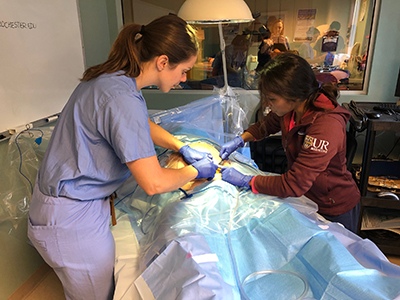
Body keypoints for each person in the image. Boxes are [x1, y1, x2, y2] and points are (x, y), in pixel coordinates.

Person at [27, 15, 219, 300]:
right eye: (184, 71)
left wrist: (181, 146)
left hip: (64, 207)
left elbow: (140, 123)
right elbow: (153, 183)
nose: (183, 79)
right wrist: (196, 171)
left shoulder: (114, 80)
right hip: (70, 220)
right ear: (163, 62)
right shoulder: (121, 97)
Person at [219, 53, 361, 234]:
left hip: (333, 205)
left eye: (272, 99)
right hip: (307, 198)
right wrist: (240, 139)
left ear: (294, 95)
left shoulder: (326, 125)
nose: (266, 104)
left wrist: (248, 181)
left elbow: (294, 184)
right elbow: (266, 125)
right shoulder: (292, 109)